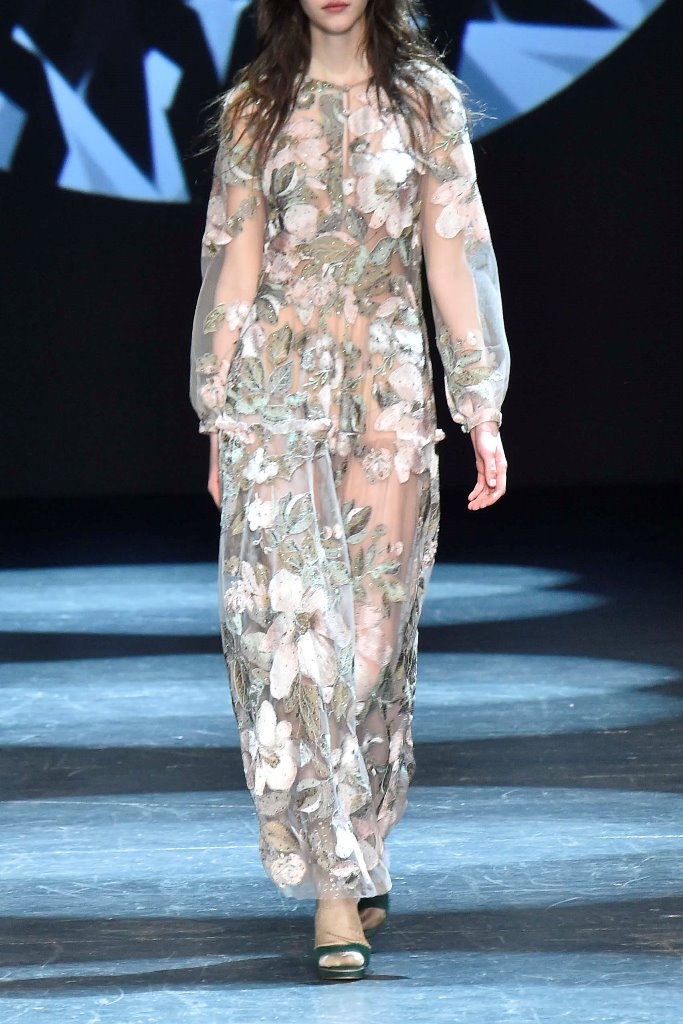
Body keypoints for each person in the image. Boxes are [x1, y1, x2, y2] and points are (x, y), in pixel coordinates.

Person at [189, 0, 510, 981]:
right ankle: (336, 886)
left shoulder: (425, 104)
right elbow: (233, 261)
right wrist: (217, 409)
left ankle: (359, 834)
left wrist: (479, 406)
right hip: (276, 402)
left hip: (386, 405)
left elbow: (452, 256)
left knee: (370, 647)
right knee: (295, 642)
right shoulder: (255, 108)